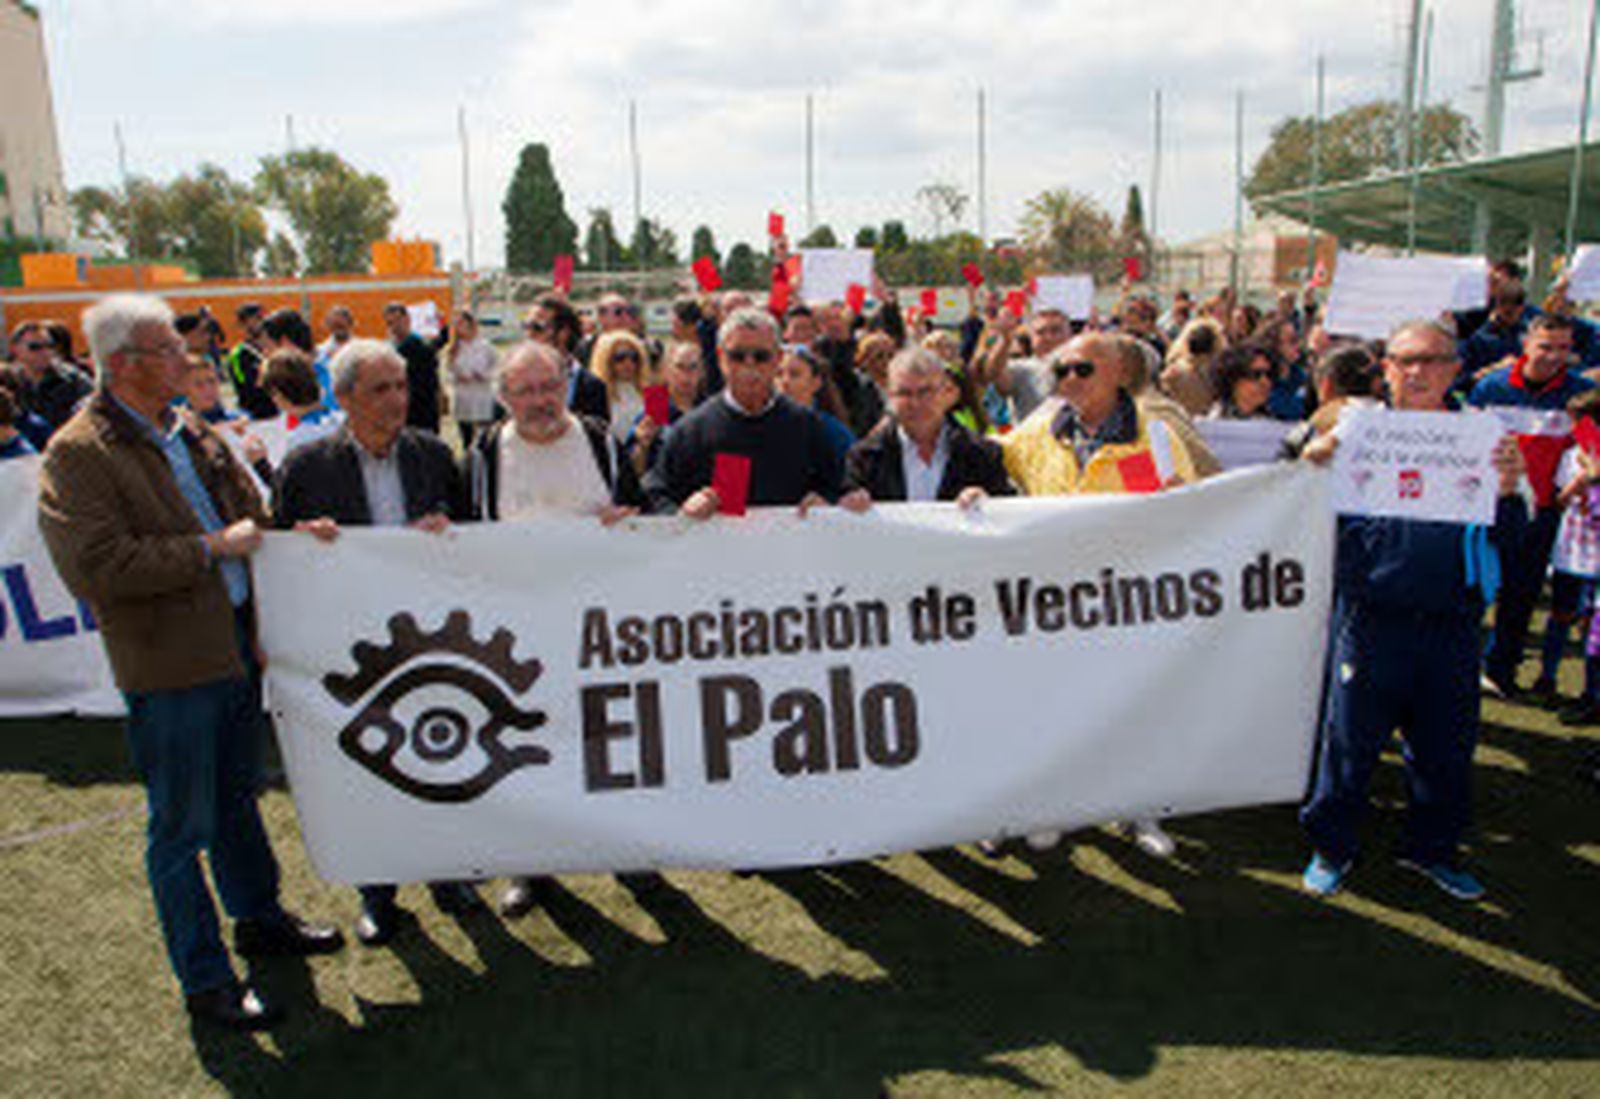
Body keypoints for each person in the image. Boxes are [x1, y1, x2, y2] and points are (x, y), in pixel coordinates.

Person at [37, 293, 344, 1031]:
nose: (187, 357)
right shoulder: (79, 452)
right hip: (169, 660)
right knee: (180, 824)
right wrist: (210, 549)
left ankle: (258, 917)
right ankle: (206, 979)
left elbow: (250, 515)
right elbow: (96, 566)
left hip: (233, 641)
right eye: (169, 349)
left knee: (237, 794)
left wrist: (291, 535)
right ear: (123, 364)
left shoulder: (189, 426)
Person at [1300, 319, 1527, 901]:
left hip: (1451, 624)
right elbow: (1298, 501)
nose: (1418, 372)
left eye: (1432, 360)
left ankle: (1433, 850)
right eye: (1405, 360)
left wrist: (1506, 491)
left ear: (1456, 369)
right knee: (1348, 745)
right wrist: (1313, 461)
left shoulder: (1485, 437)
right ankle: (1332, 847)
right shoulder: (1354, 428)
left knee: (1444, 750)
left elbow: (1513, 538)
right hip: (1371, 619)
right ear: (1386, 369)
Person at [270, 338, 481, 945]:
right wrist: (305, 541)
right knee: (368, 765)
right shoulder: (306, 467)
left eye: (402, 386)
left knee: (442, 754)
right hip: (351, 645)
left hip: (430, 639)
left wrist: (449, 533)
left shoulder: (433, 455)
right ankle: (378, 893)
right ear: (343, 398)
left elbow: (473, 539)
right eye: (380, 389)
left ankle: (447, 875)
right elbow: (280, 556)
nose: (396, 400)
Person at [1003, 330, 1200, 859]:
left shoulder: (1155, 434)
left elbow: (1187, 512)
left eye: (1083, 369)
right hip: (1056, 601)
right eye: (1061, 370)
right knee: (1058, 708)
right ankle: (1056, 807)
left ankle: (1139, 809)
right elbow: (995, 461)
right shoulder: (1038, 431)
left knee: (1133, 706)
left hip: (1130, 599)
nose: (1069, 379)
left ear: (1118, 374)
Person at [1469, 314, 1594, 697]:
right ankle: (1458, 668)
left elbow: (1591, 450)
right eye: (1545, 347)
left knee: (1520, 597)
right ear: (1526, 344)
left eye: (1563, 348)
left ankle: (1500, 670)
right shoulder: (1491, 387)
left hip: (1542, 512)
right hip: (1486, 507)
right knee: (1472, 593)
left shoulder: (1580, 395)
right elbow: (1467, 442)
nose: (1554, 356)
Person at [644, 307, 842, 516]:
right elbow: (654, 494)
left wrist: (826, 501)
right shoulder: (691, 431)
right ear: (721, 358)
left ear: (778, 358)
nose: (749, 365)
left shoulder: (807, 426)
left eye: (761, 356)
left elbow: (840, 486)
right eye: (737, 356)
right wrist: (682, 511)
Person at [840, 347, 1014, 505]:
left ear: (945, 392)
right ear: (889, 396)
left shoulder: (983, 455)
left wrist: (989, 503)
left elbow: (1009, 513)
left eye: (925, 392)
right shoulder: (865, 459)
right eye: (904, 393)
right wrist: (852, 502)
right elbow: (843, 511)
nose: (915, 403)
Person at [524, 293, 609, 422]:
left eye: (538, 327)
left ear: (563, 333)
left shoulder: (592, 387)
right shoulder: (511, 380)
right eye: (526, 326)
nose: (529, 334)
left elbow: (597, 430)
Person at [628, 340, 705, 478]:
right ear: (667, 371)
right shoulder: (657, 403)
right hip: (661, 485)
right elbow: (635, 471)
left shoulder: (709, 409)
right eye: (679, 367)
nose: (686, 375)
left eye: (693, 367)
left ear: (701, 372)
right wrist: (642, 446)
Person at [5, 319, 93, 438]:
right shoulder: (8, 381)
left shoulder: (73, 380)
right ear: (15, 349)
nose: (45, 352)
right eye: (35, 347)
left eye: (50, 345)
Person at [775, 344, 855, 465]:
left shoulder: (833, 433)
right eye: (778, 374)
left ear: (815, 383)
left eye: (794, 374)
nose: (784, 382)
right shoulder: (760, 425)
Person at [383, 302, 443, 434]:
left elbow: (431, 383)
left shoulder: (421, 347)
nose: (395, 326)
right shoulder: (388, 349)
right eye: (390, 323)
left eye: (398, 320)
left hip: (421, 410)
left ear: (407, 319)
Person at [443, 308, 498, 448]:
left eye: (462, 322)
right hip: (463, 397)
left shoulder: (485, 347)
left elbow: (497, 368)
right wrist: (458, 376)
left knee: (484, 438)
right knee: (466, 438)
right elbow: (448, 372)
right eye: (456, 324)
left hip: (482, 396)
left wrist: (484, 375)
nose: (460, 327)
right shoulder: (454, 349)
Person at [589, 329, 653, 442]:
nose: (628, 363)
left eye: (634, 357)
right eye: (620, 357)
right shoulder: (595, 393)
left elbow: (662, 433)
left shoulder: (655, 391)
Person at [226, 303, 276, 420]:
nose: (262, 322)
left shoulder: (277, 347)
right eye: (257, 318)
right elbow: (247, 389)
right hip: (256, 417)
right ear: (242, 325)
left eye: (263, 317)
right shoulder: (238, 355)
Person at [1205, 345, 1279, 420]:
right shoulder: (1213, 422)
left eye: (1270, 374)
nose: (1265, 381)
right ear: (1232, 379)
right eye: (1255, 374)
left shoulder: (1273, 419)